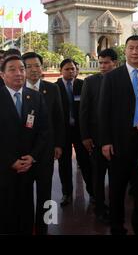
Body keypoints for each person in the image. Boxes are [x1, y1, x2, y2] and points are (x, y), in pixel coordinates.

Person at [99, 35, 138, 235]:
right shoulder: (112, 77)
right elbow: (103, 111)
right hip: (119, 143)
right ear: (125, 51)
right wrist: (105, 142)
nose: (134, 52)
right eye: (131, 48)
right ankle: (117, 226)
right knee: (116, 189)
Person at [0, 55, 48, 234]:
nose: (19, 73)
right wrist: (10, 161)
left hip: (28, 167)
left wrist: (33, 156)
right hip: (4, 169)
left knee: (26, 212)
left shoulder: (35, 97)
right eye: (12, 69)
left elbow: (44, 131)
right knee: (6, 214)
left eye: (21, 69)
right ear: (2, 75)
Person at [22, 52, 65, 235]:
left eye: (37, 65)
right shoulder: (17, 90)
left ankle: (44, 228)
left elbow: (59, 118)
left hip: (46, 150)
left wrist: (59, 145)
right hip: (24, 153)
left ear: (42, 67)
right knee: (23, 194)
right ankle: (25, 226)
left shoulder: (52, 89)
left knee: (46, 193)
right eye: (29, 66)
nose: (33, 70)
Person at [79, 48, 118, 224]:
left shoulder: (122, 81)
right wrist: (86, 136)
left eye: (106, 62)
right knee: (98, 175)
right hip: (96, 138)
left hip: (118, 138)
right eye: (100, 62)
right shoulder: (90, 81)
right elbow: (84, 111)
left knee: (117, 176)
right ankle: (100, 208)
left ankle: (116, 208)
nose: (102, 66)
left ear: (115, 63)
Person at [56, 59, 93, 206]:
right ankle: (67, 194)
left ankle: (92, 192)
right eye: (67, 69)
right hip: (63, 132)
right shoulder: (55, 88)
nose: (70, 72)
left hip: (80, 132)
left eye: (73, 69)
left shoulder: (82, 85)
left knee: (85, 162)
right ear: (61, 71)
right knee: (64, 164)